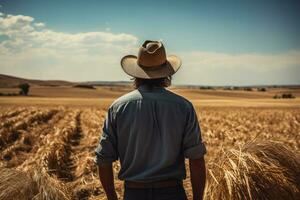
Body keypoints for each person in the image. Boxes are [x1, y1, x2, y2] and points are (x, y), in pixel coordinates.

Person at [95, 40, 207, 200]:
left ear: (135, 73)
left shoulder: (118, 107)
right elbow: (196, 160)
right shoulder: (184, 107)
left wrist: (112, 198)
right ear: (167, 74)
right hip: (173, 193)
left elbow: (103, 160)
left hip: (134, 193)